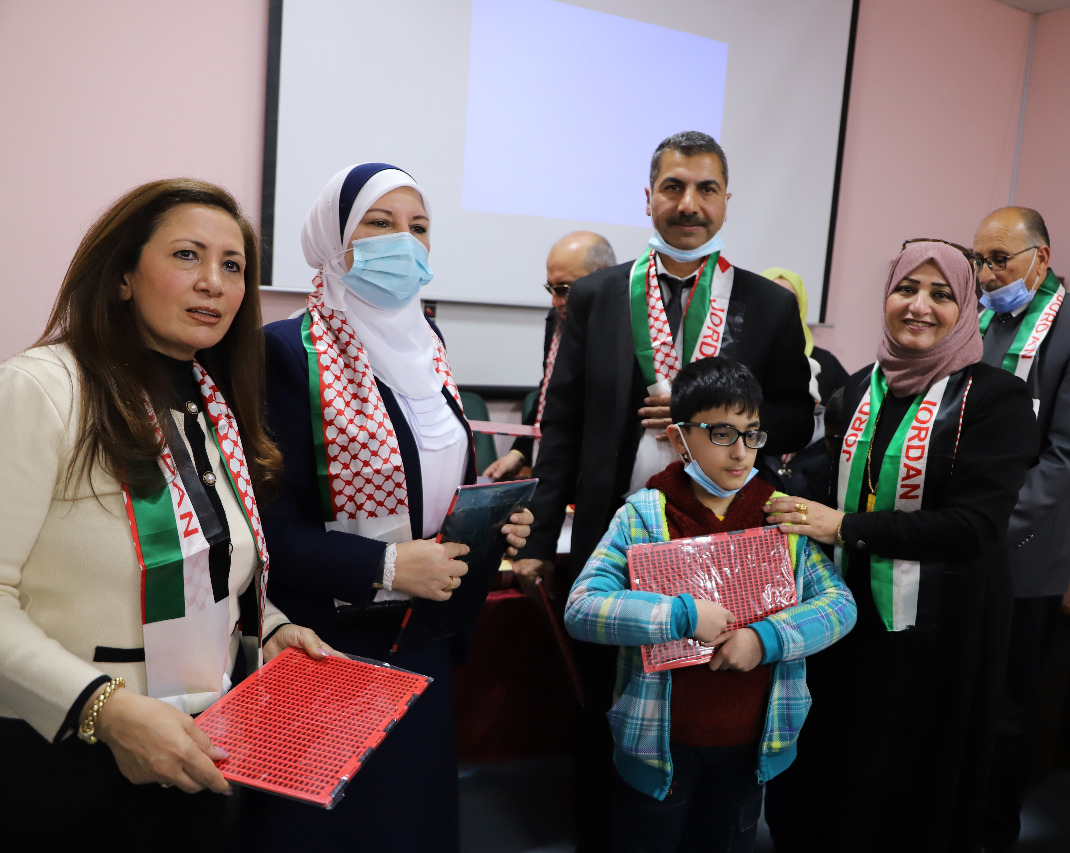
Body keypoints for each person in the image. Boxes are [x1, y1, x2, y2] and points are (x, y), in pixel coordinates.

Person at [0, 179, 331, 850]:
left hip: (202, 746)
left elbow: (206, 568)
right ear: (123, 275)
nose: (213, 281)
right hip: (64, 755)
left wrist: (266, 628)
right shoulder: (42, 388)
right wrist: (103, 708)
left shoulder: (213, 407)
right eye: (187, 255)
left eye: (232, 265)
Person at [512, 131, 814, 851]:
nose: (689, 204)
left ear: (727, 201)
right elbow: (561, 426)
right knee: (606, 702)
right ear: (648, 198)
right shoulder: (596, 295)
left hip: (724, 542)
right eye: (673, 187)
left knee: (709, 702)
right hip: (618, 536)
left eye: (706, 189)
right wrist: (538, 537)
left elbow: (798, 418)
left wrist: (712, 413)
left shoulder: (770, 304)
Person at [240, 163, 533, 853]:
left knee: (411, 819)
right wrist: (388, 564)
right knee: (334, 829)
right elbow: (266, 529)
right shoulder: (283, 351)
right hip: (326, 641)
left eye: (419, 227)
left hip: (421, 632)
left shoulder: (430, 345)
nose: (404, 240)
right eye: (380, 222)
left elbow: (438, 481)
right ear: (333, 237)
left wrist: (489, 525)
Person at [764, 240, 1040, 851]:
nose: (919, 306)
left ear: (966, 308)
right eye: (906, 289)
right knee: (840, 754)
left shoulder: (995, 399)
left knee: (912, 771)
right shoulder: (858, 389)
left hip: (940, 626)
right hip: (848, 610)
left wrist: (844, 527)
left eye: (941, 294)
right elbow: (827, 484)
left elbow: (974, 526)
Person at [563, 356, 855, 853]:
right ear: (680, 439)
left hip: (752, 746)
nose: (740, 452)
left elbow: (838, 605)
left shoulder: (778, 515)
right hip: (658, 747)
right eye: (721, 433)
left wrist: (765, 639)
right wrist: (679, 616)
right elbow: (584, 608)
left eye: (751, 434)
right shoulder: (643, 517)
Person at [972, 207, 1070, 853]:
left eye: (998, 260)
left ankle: (991, 834)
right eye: (978, 260)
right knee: (959, 696)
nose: (986, 274)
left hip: (1020, 551)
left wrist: (987, 532)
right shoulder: (977, 318)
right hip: (958, 543)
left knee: (1006, 708)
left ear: (1041, 256)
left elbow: (1067, 461)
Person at [484, 231, 616, 481]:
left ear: (602, 278)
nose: (555, 301)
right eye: (551, 289)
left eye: (565, 289)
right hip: (553, 469)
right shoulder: (557, 320)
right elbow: (550, 392)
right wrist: (519, 453)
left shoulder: (631, 329)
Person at [757, 266, 849, 501]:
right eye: (770, 296)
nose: (778, 306)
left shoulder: (825, 362)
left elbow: (845, 417)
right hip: (753, 473)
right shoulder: (744, 355)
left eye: (788, 300)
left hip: (811, 484)